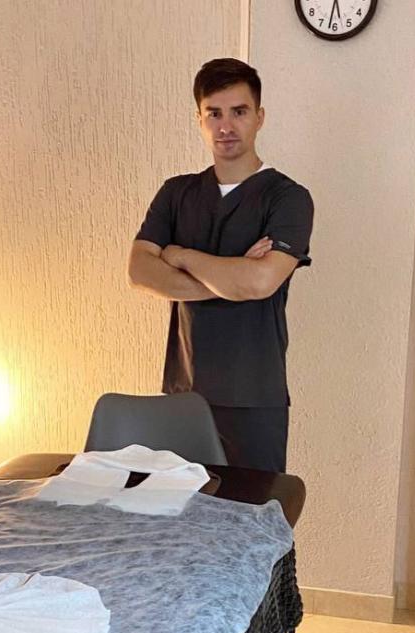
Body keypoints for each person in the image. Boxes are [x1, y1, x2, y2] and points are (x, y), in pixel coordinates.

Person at [127, 58, 314, 473]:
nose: (226, 125)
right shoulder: (176, 193)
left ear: (259, 117)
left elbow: (260, 282)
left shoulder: (287, 198)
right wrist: (231, 277)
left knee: (254, 510)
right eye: (214, 113)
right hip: (184, 391)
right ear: (199, 120)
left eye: (239, 112)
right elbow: (140, 270)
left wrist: (181, 256)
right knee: (178, 507)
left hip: (254, 395)